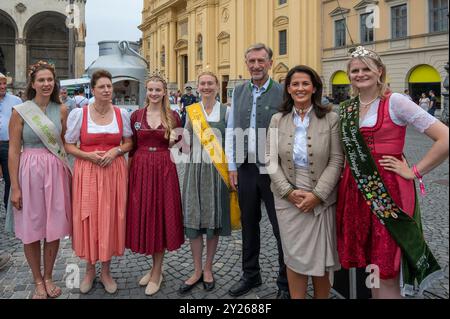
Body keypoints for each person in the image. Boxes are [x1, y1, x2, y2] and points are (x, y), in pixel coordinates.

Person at [337, 46, 449, 299]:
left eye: (366, 68)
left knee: (387, 265)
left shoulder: (396, 101)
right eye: (355, 70)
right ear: (349, 75)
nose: (360, 74)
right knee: (372, 263)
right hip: (355, 193)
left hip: (388, 192)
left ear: (380, 72)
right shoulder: (347, 107)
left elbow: (445, 138)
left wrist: (414, 171)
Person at [266, 65, 343, 299]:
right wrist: (288, 192)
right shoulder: (277, 119)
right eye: (295, 84)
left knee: (322, 258)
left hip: (322, 197)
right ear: (288, 89)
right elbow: (270, 161)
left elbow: (337, 159)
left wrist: (317, 195)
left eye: (305, 83)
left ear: (314, 88)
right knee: (294, 257)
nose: (300, 88)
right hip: (287, 200)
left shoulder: (331, 118)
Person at [225, 43, 290, 299]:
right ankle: (250, 275)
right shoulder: (239, 91)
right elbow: (231, 130)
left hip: (275, 170)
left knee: (280, 227)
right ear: (246, 63)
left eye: (260, 61)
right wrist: (232, 166)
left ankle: (286, 282)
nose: (255, 65)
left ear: (270, 63)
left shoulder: (283, 91)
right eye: (251, 61)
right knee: (249, 224)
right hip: (246, 168)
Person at [65, 70, 133, 295]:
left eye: (109, 86)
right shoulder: (80, 114)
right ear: (92, 90)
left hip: (113, 172)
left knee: (110, 219)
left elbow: (128, 143)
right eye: (102, 87)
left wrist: (116, 151)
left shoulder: (120, 113)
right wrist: (88, 156)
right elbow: (69, 145)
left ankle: (106, 271)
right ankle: (89, 270)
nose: (106, 90)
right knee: (89, 218)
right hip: (88, 171)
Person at [8, 61, 72, 299]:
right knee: (31, 228)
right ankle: (37, 279)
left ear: (55, 83)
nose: (46, 84)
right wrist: (15, 187)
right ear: (32, 84)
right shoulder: (21, 111)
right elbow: (14, 150)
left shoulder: (62, 110)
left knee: (53, 227)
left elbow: (66, 145)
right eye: (41, 80)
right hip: (29, 173)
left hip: (55, 173)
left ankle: (49, 276)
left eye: (50, 80)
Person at [126, 75, 184, 296]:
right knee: (147, 215)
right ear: (146, 91)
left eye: (158, 90)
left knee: (160, 217)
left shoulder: (173, 116)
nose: (154, 93)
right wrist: (128, 175)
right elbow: (131, 146)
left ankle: (158, 271)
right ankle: (154, 269)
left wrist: (174, 142)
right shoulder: (136, 116)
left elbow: (182, 147)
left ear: (164, 92)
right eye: (150, 89)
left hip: (163, 169)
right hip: (140, 169)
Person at [179, 72, 235, 294]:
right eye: (202, 83)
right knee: (194, 220)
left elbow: (231, 143)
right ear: (198, 87)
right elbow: (185, 146)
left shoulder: (226, 111)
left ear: (217, 86)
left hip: (217, 173)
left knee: (212, 222)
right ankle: (196, 270)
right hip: (195, 171)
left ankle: (209, 268)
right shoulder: (192, 112)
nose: (206, 87)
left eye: (210, 83)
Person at [0, 72, 22, 212]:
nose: (2, 86)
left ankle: (9, 211)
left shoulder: (16, 101)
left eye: (4, 83)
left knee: (10, 180)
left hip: (8, 145)